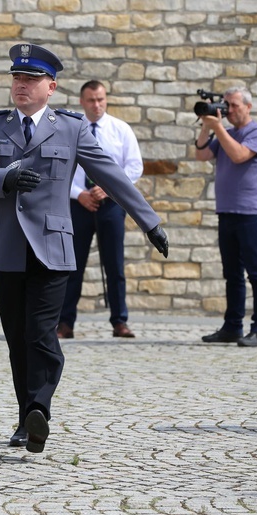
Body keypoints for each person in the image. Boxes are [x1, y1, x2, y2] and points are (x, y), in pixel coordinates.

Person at [0, 43, 168, 453]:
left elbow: (112, 174)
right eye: (17, 78)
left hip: (52, 246)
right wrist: (4, 179)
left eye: (31, 80)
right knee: (17, 338)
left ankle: (40, 409)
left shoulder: (71, 128)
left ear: (50, 87)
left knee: (41, 334)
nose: (21, 86)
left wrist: (150, 221)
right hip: (6, 247)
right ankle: (25, 421)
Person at [57, 80, 143, 340]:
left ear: (106, 100)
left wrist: (108, 188)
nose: (96, 105)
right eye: (91, 100)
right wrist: (78, 194)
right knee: (72, 266)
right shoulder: (70, 130)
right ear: (82, 102)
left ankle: (119, 321)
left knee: (114, 265)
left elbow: (134, 167)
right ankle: (65, 323)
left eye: (101, 100)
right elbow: (60, 168)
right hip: (78, 204)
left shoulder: (121, 129)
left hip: (111, 205)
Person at [194, 86, 257, 348]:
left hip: (251, 215)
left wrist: (218, 128)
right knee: (233, 275)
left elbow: (239, 156)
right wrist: (207, 125)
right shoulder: (226, 132)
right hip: (226, 212)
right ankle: (232, 327)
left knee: (256, 274)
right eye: (226, 104)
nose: (228, 110)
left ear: (248, 107)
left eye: (234, 105)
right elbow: (201, 154)